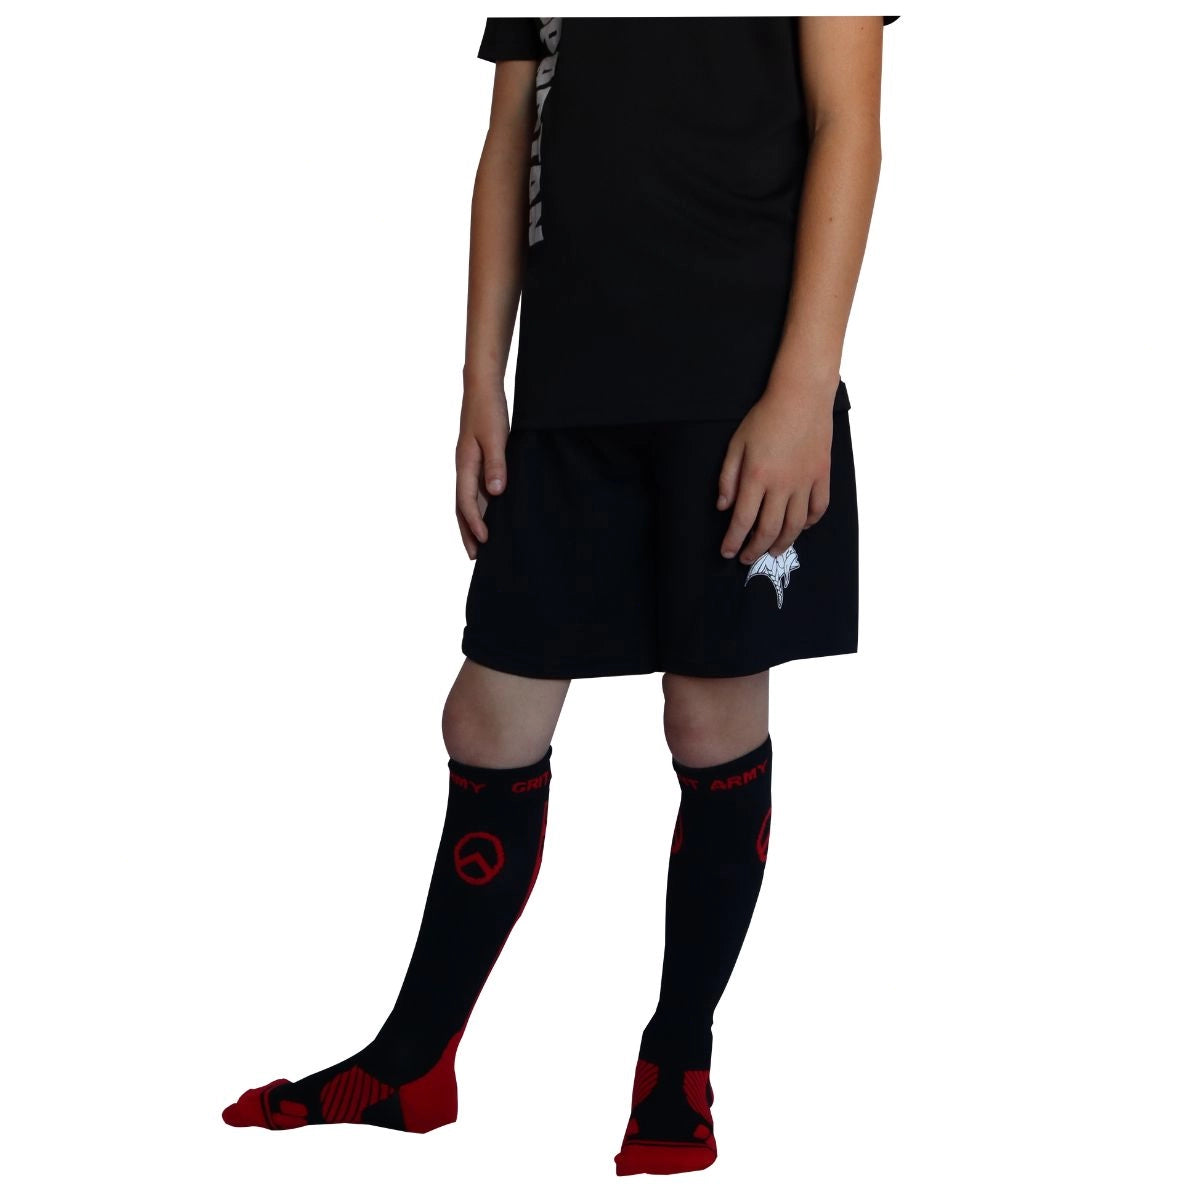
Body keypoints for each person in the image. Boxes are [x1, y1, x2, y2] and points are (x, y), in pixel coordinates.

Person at [222, 14, 899, 1178]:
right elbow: (509, 147)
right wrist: (482, 381)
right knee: (489, 716)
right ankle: (413, 1063)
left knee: (710, 718)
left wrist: (803, 390)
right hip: (570, 388)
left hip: (737, 386)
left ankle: (678, 1055)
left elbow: (849, 126)